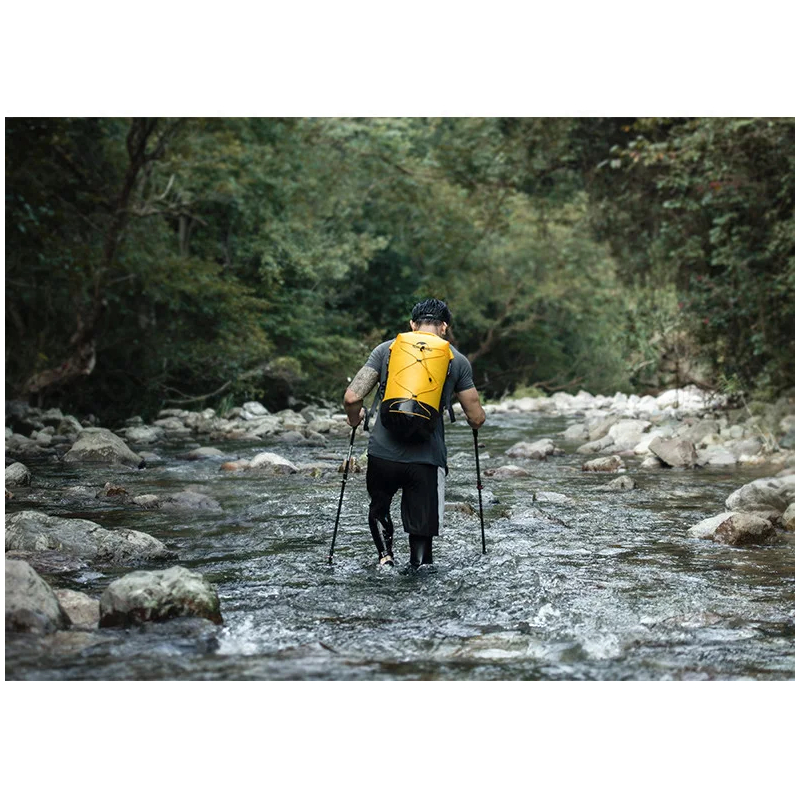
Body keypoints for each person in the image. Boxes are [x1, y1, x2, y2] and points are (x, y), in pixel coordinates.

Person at [343, 299, 486, 568]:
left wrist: (354, 419)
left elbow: (352, 397)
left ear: (412, 324)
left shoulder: (386, 350)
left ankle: (385, 558)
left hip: (383, 455)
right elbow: (476, 418)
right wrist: (475, 423)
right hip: (426, 459)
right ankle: (418, 568)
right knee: (421, 534)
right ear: (444, 327)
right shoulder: (457, 360)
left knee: (379, 507)